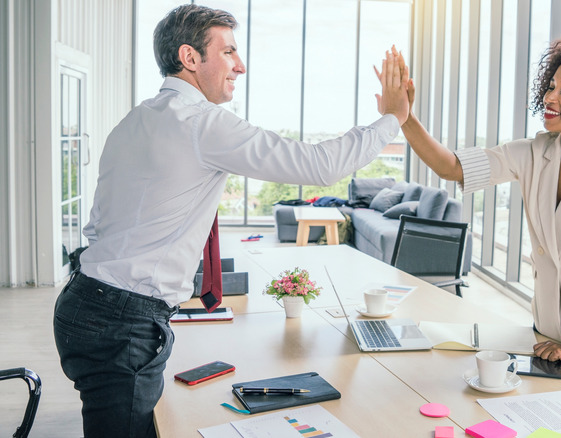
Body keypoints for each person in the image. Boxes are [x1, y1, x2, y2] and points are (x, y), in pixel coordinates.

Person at [52, 4, 409, 437]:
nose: (240, 66)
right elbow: (318, 165)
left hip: (85, 299)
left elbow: (107, 221)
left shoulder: (136, 119)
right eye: (229, 52)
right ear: (189, 57)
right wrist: (393, 118)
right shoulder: (202, 124)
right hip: (124, 320)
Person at [397, 39, 561, 371]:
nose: (550, 97)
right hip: (546, 335)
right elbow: (452, 166)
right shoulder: (535, 153)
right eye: (551, 87)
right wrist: (405, 118)